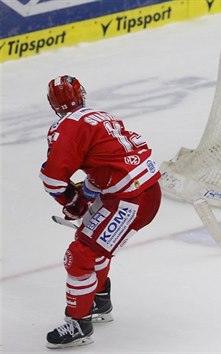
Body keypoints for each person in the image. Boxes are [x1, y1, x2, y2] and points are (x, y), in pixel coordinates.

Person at [40, 75, 162, 348]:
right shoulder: (100, 116)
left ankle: (79, 324)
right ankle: (98, 301)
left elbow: (52, 179)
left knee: (79, 256)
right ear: (82, 94)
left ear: (52, 104)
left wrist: (73, 203)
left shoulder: (64, 127)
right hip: (141, 189)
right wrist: (85, 195)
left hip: (130, 199)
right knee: (94, 248)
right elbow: (108, 166)